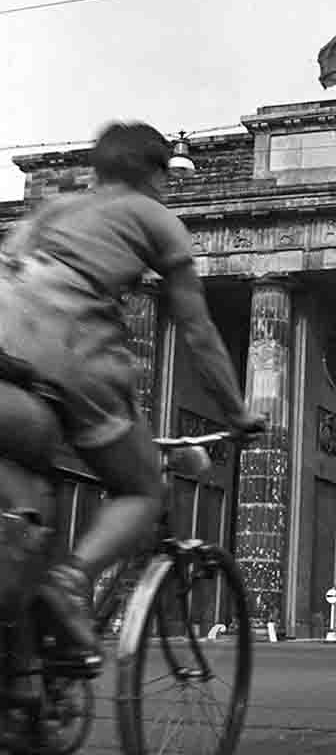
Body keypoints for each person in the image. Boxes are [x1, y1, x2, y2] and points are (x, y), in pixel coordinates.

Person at [0, 122, 264, 666]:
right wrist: (237, 413)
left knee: (34, 493)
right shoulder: (154, 216)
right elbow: (197, 331)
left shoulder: (53, 210)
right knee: (141, 489)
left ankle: (22, 663)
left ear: (97, 170)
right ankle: (70, 583)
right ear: (157, 174)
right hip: (67, 355)